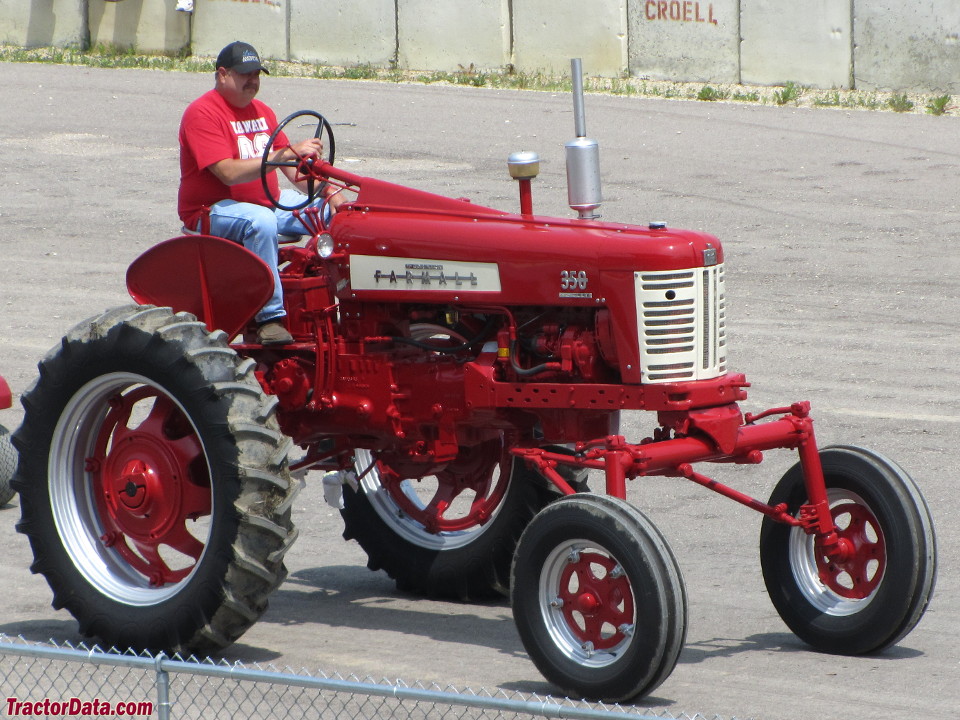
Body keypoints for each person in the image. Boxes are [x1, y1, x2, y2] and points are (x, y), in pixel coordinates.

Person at [178, 41, 337, 345]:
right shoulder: (202, 113)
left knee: (333, 214)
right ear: (222, 74)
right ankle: (270, 318)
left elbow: (295, 174)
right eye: (244, 74)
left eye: (256, 74)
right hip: (210, 210)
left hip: (262, 202)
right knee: (261, 222)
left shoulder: (263, 112)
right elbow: (227, 171)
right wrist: (280, 157)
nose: (252, 81)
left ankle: (338, 298)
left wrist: (329, 194)